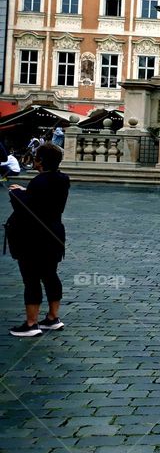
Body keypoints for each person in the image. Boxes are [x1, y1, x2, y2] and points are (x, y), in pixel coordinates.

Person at [7, 144, 70, 337]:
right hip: (54, 234)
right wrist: (26, 191)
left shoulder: (39, 182)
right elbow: (45, 200)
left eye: (36, 157)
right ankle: (52, 318)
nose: (33, 160)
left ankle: (31, 323)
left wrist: (16, 193)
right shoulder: (62, 178)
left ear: (41, 161)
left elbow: (30, 209)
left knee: (31, 279)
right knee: (50, 275)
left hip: (34, 238)